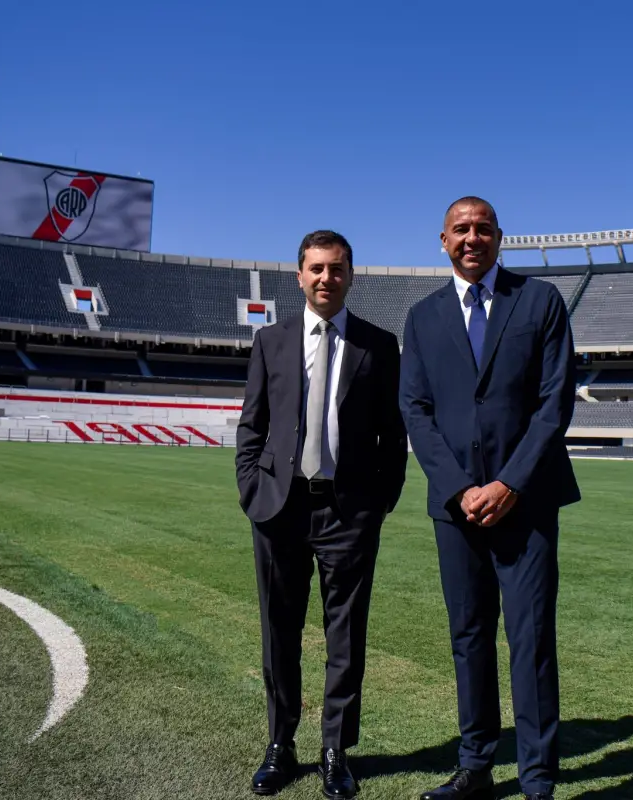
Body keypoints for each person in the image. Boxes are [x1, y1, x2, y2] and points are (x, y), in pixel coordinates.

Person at [399, 198, 580, 800]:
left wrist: (509, 483)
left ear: (500, 237)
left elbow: (555, 402)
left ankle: (537, 779)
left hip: (527, 504)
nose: (471, 238)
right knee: (469, 638)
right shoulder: (422, 317)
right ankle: (475, 767)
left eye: (482, 229)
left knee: (531, 640)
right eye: (461, 230)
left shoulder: (540, 301)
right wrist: (460, 489)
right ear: (443, 240)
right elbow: (415, 411)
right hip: (457, 510)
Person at [236, 230, 407, 799]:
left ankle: (336, 750)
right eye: (316, 268)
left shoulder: (378, 345)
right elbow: (252, 425)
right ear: (299, 276)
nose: (325, 278)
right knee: (278, 632)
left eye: (336, 268)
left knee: (346, 636)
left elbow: (393, 433)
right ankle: (279, 745)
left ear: (350, 275)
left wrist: (378, 503)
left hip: (348, 511)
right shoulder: (271, 340)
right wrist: (251, 490)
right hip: (279, 507)